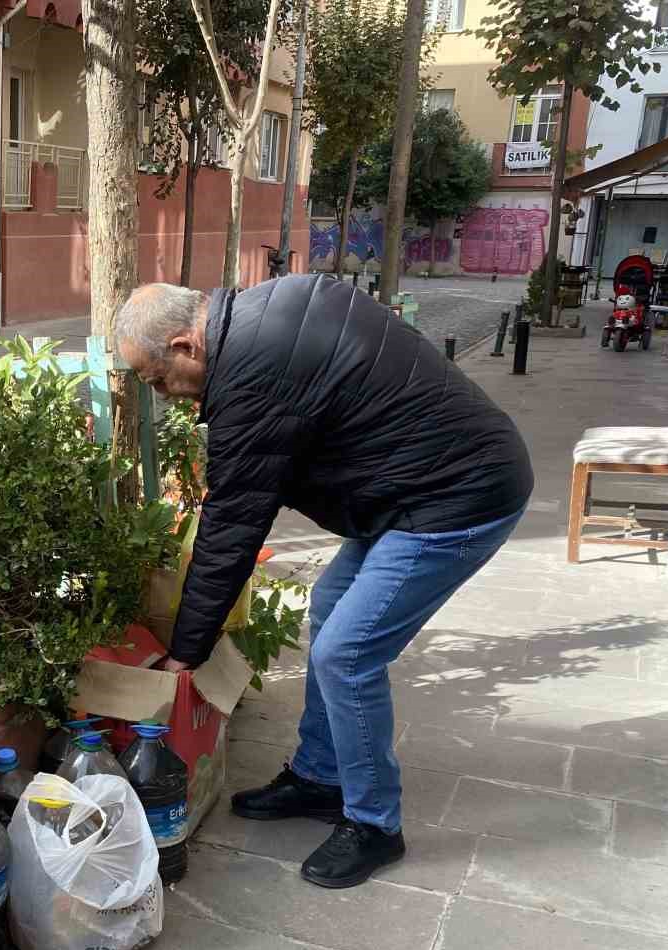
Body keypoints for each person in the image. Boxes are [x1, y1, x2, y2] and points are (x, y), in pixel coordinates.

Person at [115, 276, 533, 888]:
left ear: (185, 346)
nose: (165, 397)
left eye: (157, 381)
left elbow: (233, 523)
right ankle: (320, 775)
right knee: (331, 603)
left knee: (347, 652)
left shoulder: (253, 376)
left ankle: (374, 824)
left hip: (458, 496)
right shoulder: (270, 308)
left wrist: (186, 651)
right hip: (411, 487)